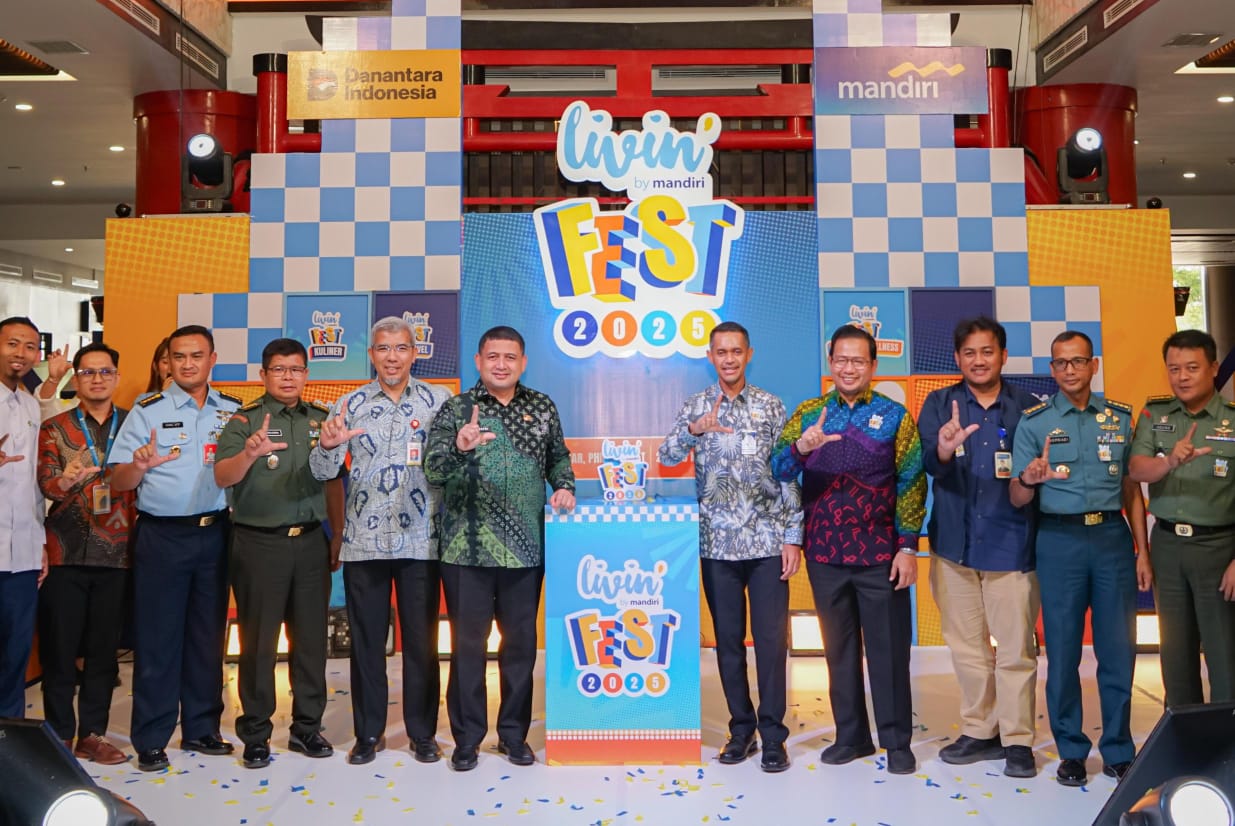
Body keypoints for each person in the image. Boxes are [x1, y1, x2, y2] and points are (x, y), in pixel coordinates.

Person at [771, 325, 925, 776]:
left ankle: (896, 741)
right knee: (838, 651)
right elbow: (778, 468)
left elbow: (912, 481)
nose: (849, 368)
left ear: (873, 366)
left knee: (888, 652)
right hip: (825, 554)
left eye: (858, 360)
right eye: (842, 359)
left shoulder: (895, 416)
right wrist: (801, 448)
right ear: (830, 362)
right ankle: (851, 737)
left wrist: (907, 546)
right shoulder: (809, 413)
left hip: (881, 555)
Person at [425, 325, 575, 772]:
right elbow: (433, 470)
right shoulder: (457, 409)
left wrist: (564, 485)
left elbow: (559, 457)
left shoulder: (541, 406)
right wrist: (459, 446)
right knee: (468, 648)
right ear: (478, 361)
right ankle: (467, 739)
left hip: (525, 551)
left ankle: (513, 735)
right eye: (493, 356)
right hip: (465, 550)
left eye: (510, 357)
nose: (501, 364)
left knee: (520, 648)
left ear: (523, 362)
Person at [657, 321, 802, 773]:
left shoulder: (771, 406)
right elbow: (665, 456)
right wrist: (693, 431)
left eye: (736, 351)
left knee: (771, 643)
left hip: (766, 542)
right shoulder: (696, 405)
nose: (729, 359)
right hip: (717, 545)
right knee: (728, 643)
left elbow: (788, 472)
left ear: (748, 354)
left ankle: (773, 735)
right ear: (710, 356)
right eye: (721, 352)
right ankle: (742, 731)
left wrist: (792, 536)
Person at [309, 317, 451, 766]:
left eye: (401, 348)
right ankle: (368, 733)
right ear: (371, 354)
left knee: (422, 644)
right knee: (367, 643)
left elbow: (453, 464)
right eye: (384, 349)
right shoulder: (348, 404)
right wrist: (327, 447)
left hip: (420, 541)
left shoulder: (439, 401)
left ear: (415, 353)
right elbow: (322, 472)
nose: (392, 357)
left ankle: (422, 734)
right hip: (363, 542)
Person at [1010, 330, 1150, 786]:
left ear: (1094, 365)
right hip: (1059, 541)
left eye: (1078, 361)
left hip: (1111, 539)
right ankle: (1071, 750)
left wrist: (1142, 551)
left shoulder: (1119, 418)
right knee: (1063, 650)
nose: (1069, 369)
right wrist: (1029, 479)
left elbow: (1132, 490)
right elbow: (1015, 495)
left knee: (1118, 650)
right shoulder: (1034, 423)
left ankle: (1118, 749)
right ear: (1052, 370)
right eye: (1061, 362)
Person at [109, 324, 241, 772]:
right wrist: (138, 465)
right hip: (162, 537)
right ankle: (151, 737)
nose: (187, 364)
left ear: (212, 359)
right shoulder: (147, 410)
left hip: (216, 533)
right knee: (158, 638)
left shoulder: (232, 411)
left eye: (196, 355)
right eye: (178, 356)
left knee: (207, 638)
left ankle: (202, 729)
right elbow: (118, 480)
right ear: (167, 361)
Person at [916, 317, 1041, 778]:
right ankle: (980, 730)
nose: (979, 360)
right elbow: (929, 464)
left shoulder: (1029, 408)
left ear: (1003, 356)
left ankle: (1017, 740)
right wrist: (945, 449)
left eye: (987, 351)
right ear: (957, 359)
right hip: (954, 547)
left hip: (1012, 545)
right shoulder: (939, 404)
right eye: (969, 353)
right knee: (967, 649)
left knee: (1015, 651)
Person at [215, 338, 344, 769]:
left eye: (295, 369)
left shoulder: (321, 420)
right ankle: (255, 733)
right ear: (263, 375)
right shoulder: (245, 421)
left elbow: (333, 482)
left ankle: (307, 728)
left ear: (306, 374)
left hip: (310, 542)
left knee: (311, 641)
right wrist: (249, 453)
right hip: (258, 544)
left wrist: (338, 534)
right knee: (259, 644)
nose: (288, 377)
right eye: (279, 369)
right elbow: (222, 476)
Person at [36, 342, 136, 764]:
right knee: (59, 651)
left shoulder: (133, 425)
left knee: (102, 653)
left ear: (116, 377)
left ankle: (92, 734)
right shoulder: (55, 428)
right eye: (88, 372)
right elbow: (45, 484)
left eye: (105, 371)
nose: (97, 379)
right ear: (76, 379)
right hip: (65, 553)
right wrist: (66, 479)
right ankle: (59, 734)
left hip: (119, 554)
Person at [1129, 329, 1235, 707]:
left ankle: (1225, 737)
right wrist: (1170, 461)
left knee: (1224, 654)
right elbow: (1136, 469)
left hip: (1219, 548)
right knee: (1175, 654)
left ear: (1214, 368)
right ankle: (1187, 733)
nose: (1182, 377)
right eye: (1174, 369)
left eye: (1192, 368)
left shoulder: (1232, 419)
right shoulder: (1154, 414)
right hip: (1168, 546)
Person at [0, 316, 47, 719]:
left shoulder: (32, 405)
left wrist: (41, 542)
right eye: (12, 343)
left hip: (24, 554)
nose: (21, 353)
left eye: (30, 346)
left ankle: (8, 738)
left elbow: (34, 481)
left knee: (15, 653)